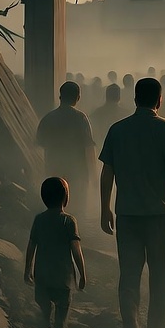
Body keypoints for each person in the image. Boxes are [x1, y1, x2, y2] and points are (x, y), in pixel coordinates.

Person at [98, 78, 165, 328]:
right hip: (160, 215)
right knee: (161, 277)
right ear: (159, 101)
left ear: (135, 99)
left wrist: (105, 208)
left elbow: (107, 174)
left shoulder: (118, 130)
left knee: (129, 277)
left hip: (127, 214)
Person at [23, 176, 87, 328]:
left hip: (43, 275)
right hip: (63, 278)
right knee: (62, 310)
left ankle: (44, 327)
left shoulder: (39, 219)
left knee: (44, 308)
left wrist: (27, 270)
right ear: (66, 196)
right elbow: (76, 249)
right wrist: (82, 274)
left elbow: (31, 245)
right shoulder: (69, 221)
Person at [36, 82, 97, 223]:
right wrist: (93, 173)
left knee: (55, 209)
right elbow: (89, 148)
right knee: (77, 212)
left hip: (53, 170)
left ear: (60, 96)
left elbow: (39, 145)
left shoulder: (48, 118)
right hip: (78, 171)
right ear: (78, 98)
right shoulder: (81, 118)